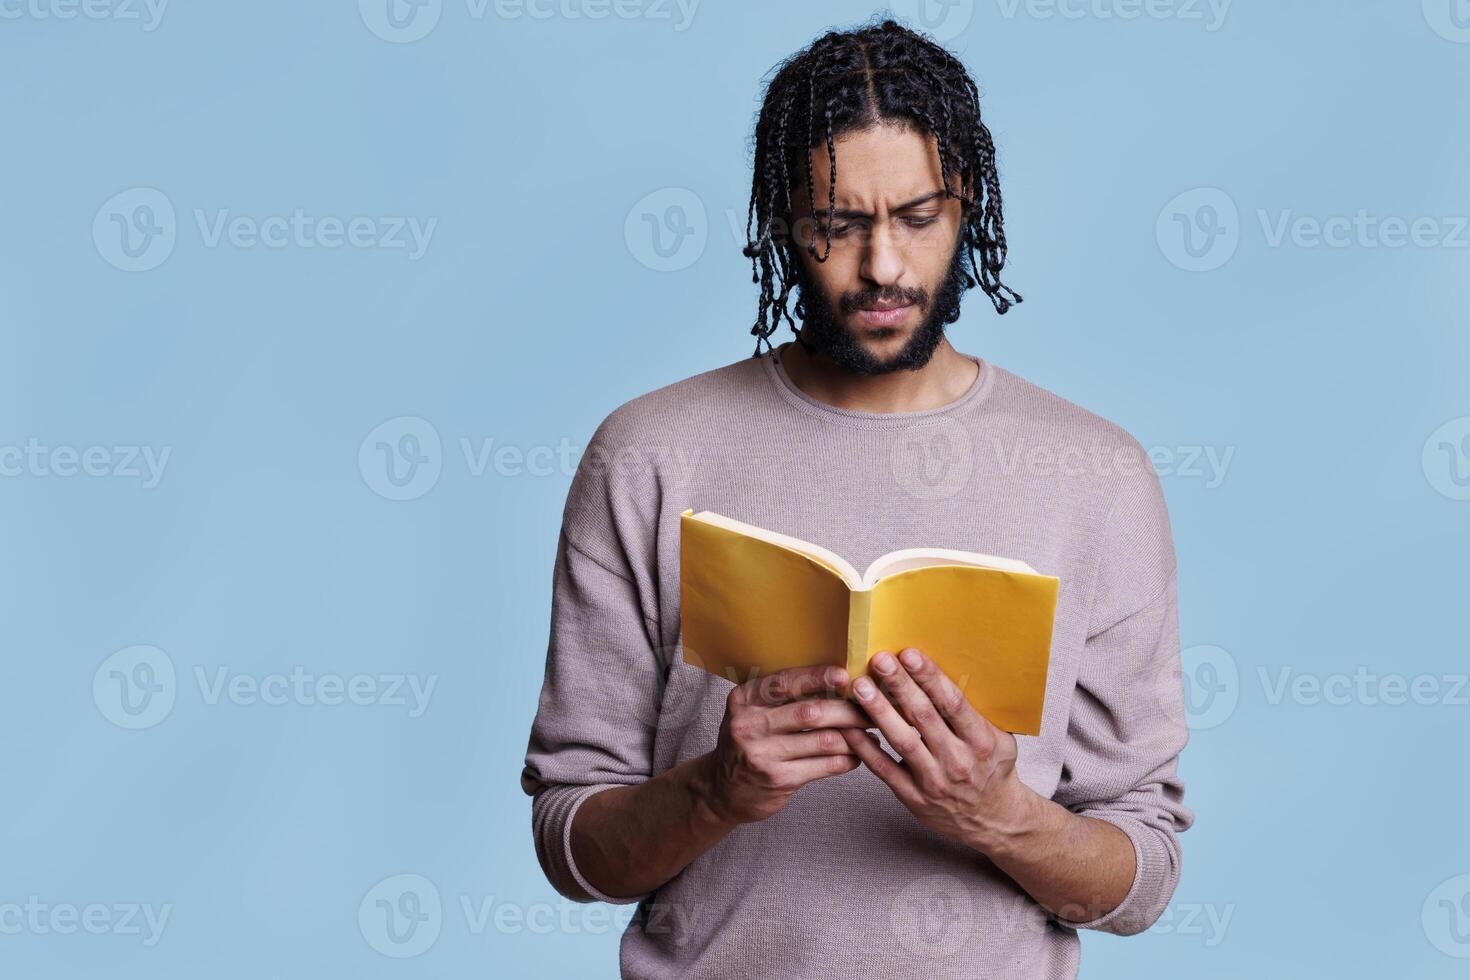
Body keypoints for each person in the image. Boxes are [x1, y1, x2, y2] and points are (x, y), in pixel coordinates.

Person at [520, 17, 1192, 979]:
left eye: (919, 220)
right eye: (837, 225)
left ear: (971, 214)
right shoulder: (646, 453)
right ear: (783, 225)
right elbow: (570, 843)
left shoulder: (1097, 475)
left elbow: (1144, 876)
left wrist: (995, 814)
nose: (883, 268)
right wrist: (716, 790)